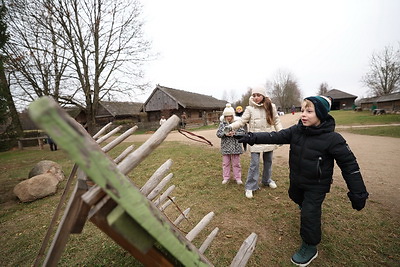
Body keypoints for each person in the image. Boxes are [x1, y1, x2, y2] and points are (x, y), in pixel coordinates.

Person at [234, 96, 369, 266]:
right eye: (303, 110)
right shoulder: (297, 131)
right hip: (297, 180)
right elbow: (275, 136)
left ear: (320, 114)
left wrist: (358, 192)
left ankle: (310, 246)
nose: (303, 114)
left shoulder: (333, 139)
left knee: (309, 214)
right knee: (295, 197)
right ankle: (303, 204)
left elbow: (350, 166)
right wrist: (251, 137)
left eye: (309, 111)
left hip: (317, 185)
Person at [227, 85, 283, 199]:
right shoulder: (249, 109)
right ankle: (250, 186)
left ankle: (267, 180)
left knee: (268, 161)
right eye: (254, 95)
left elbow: (276, 121)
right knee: (254, 164)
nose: (256, 97)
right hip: (254, 140)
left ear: (263, 95)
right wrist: (231, 127)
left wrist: (281, 135)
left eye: (258, 95)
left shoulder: (271, 107)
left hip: (269, 138)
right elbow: (242, 122)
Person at [216, 104, 245, 185]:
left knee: (236, 163)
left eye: (230, 116)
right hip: (226, 147)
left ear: (233, 115)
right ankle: (226, 177)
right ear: (224, 116)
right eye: (227, 116)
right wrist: (225, 134)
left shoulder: (237, 123)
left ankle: (238, 178)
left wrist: (235, 133)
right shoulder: (222, 124)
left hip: (235, 147)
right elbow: (218, 134)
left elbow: (242, 132)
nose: (229, 117)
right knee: (226, 163)